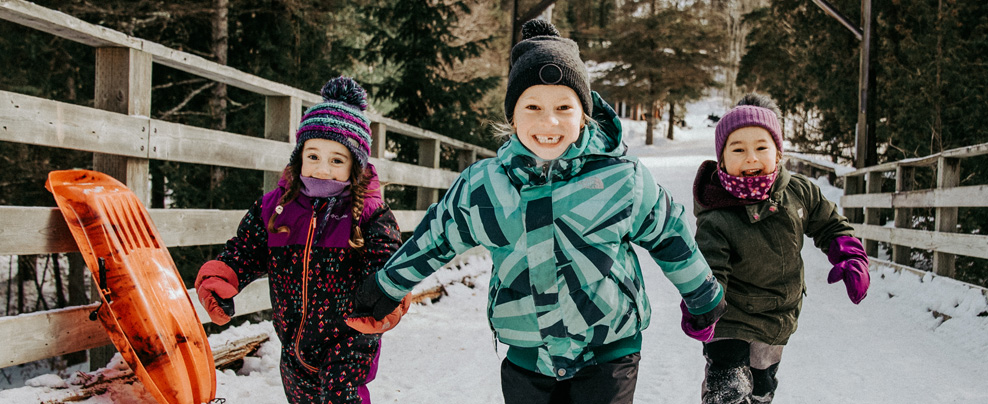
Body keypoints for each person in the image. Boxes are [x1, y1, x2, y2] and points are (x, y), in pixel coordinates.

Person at [345, 19, 725, 404]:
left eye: (564, 106)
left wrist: (702, 295)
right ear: (513, 117)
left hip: (609, 351)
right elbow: (436, 238)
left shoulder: (619, 178)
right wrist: (387, 286)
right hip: (527, 356)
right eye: (533, 106)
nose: (550, 121)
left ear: (584, 114)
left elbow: (669, 232)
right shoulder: (484, 186)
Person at [194, 77, 408, 404]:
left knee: (341, 397)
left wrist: (385, 297)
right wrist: (224, 275)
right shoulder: (276, 208)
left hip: (349, 341)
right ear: (299, 157)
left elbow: (388, 262)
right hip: (292, 343)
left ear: (356, 165)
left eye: (337, 159)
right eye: (313, 156)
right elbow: (246, 249)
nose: (322, 169)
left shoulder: (369, 215)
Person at [690, 94, 871, 404]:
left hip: (777, 314)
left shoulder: (799, 191)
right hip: (729, 315)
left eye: (761, 147)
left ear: (778, 152)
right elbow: (712, 267)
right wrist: (704, 303)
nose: (751, 158)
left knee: (761, 387)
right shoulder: (717, 212)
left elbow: (830, 225)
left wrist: (851, 255)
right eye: (738, 149)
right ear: (721, 159)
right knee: (728, 388)